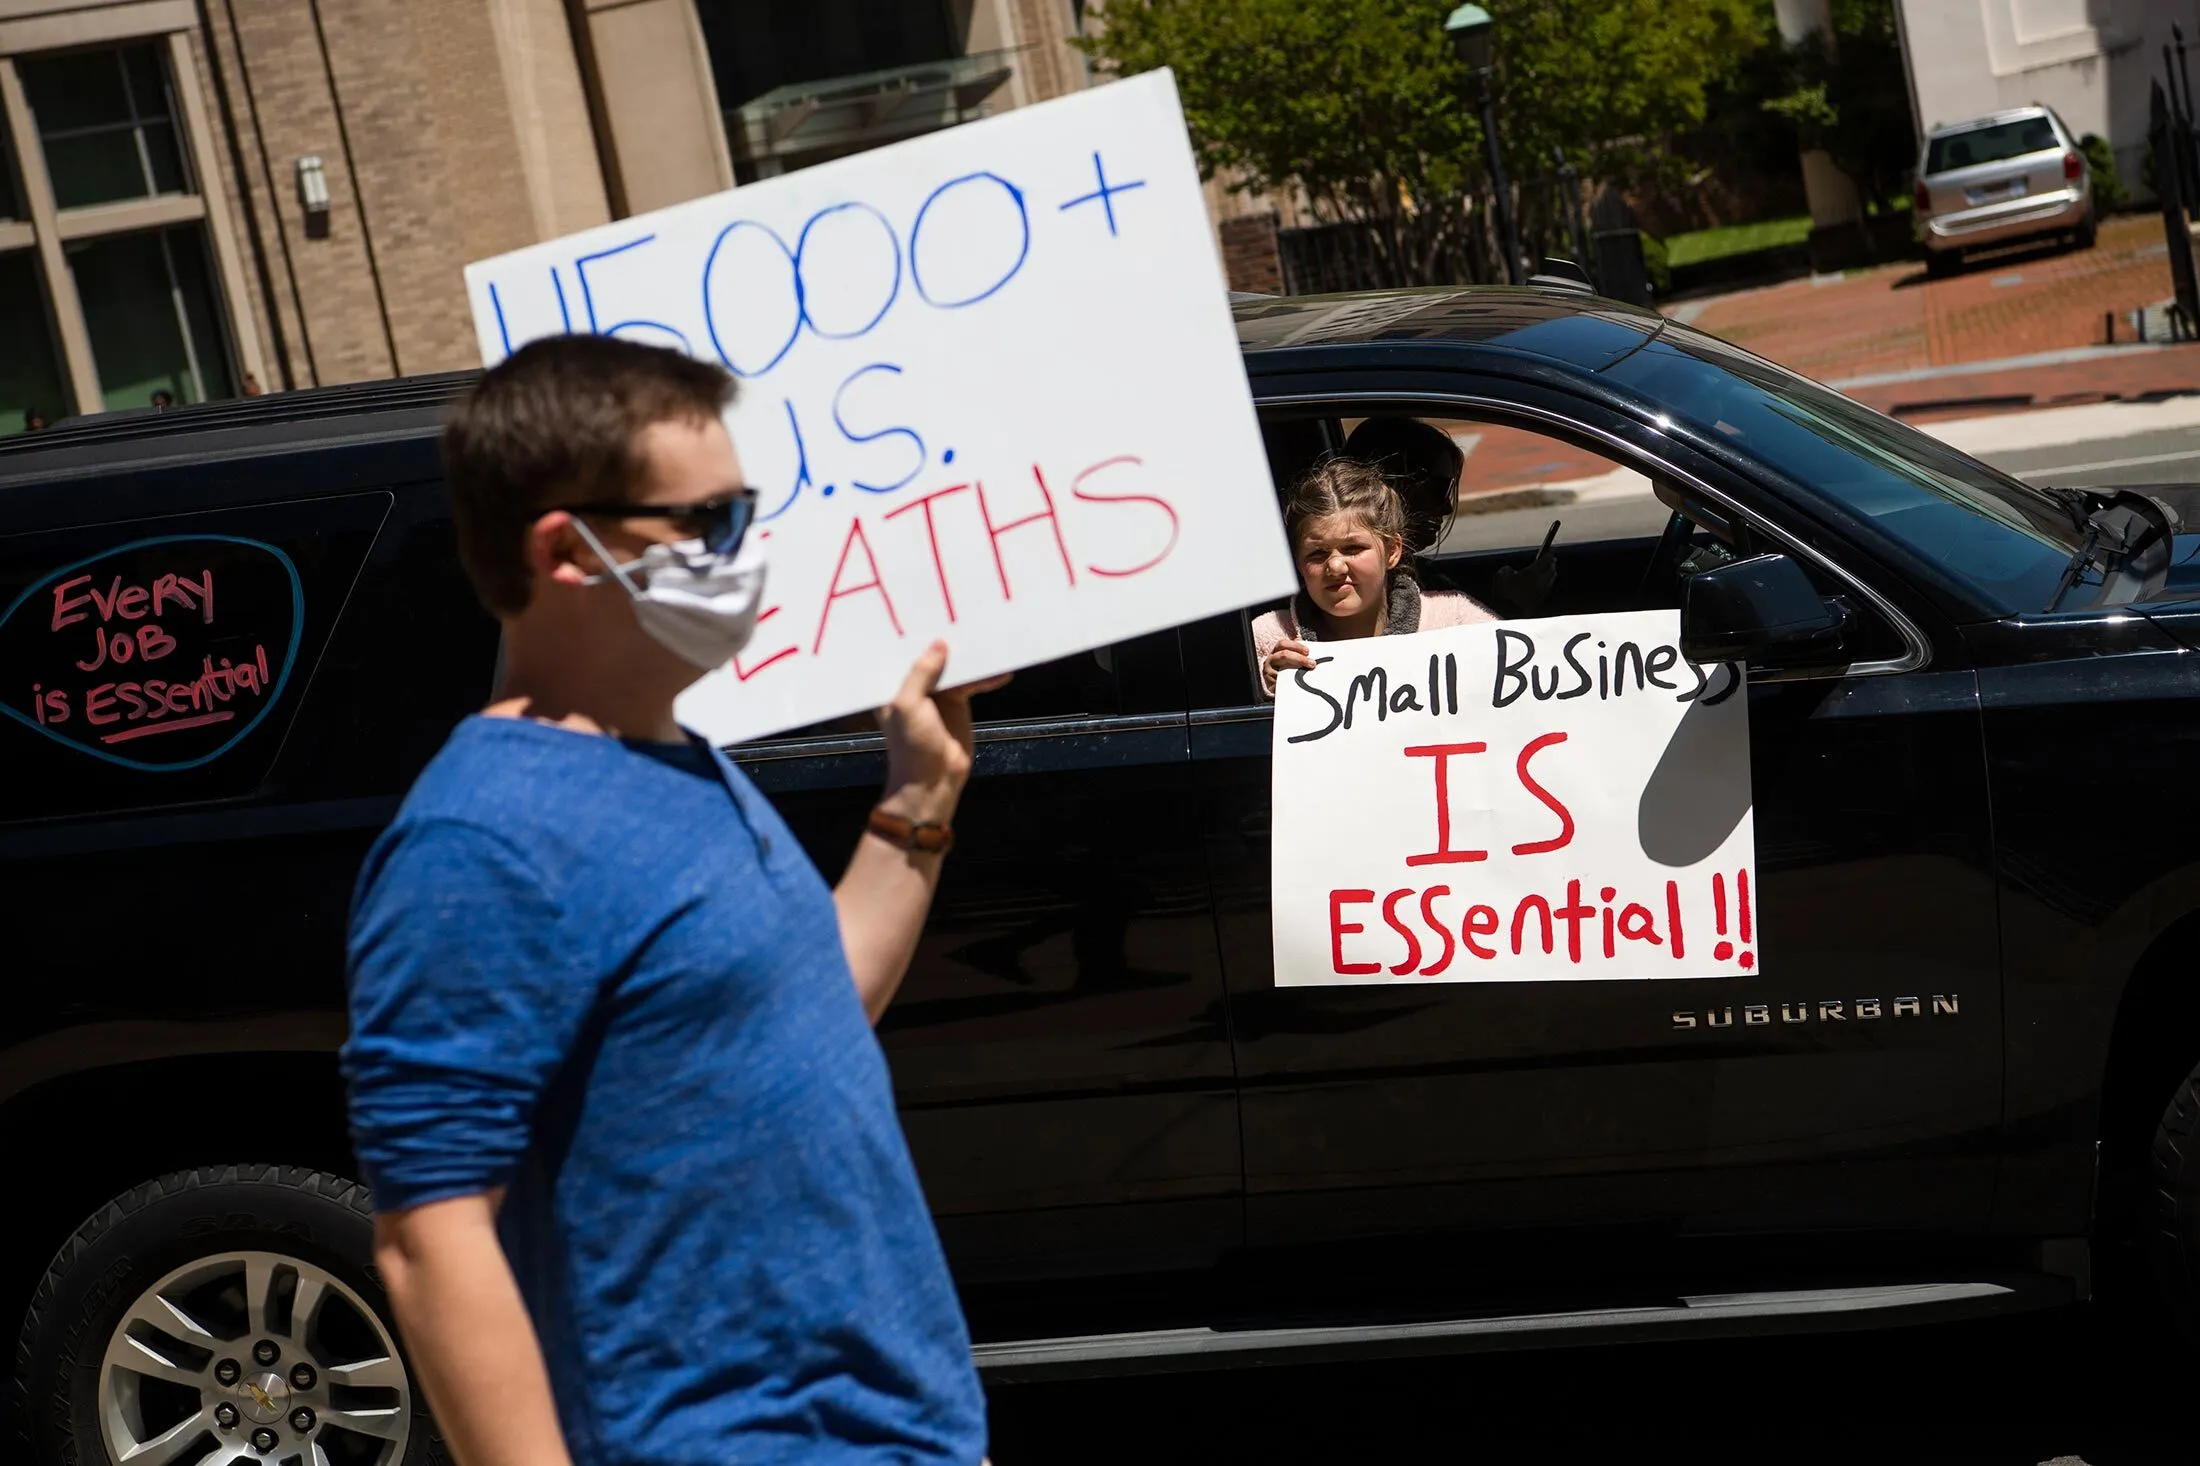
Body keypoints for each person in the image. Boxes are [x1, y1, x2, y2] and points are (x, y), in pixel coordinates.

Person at [342, 334, 999, 1466]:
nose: (742, 551)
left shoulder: (675, 755)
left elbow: (813, 1007)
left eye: (742, 510)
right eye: (709, 523)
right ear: (566, 550)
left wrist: (919, 799)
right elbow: (430, 1239)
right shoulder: (480, 838)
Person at [1254, 457, 1497, 697]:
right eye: (1317, 553)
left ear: (1392, 551)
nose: (1336, 566)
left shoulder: (1454, 619)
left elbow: (1516, 673)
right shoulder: (1267, 637)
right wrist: (1267, 687)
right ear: (1297, 562)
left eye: (1353, 549)